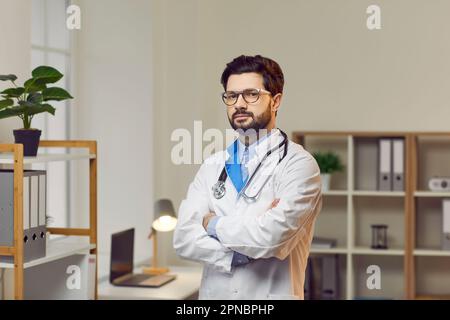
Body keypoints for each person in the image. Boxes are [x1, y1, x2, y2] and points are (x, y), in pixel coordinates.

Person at [173, 54, 322, 300]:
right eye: (231, 96)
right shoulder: (213, 166)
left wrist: (211, 224)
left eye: (251, 94)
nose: (239, 104)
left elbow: (272, 237)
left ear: (276, 101)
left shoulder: (299, 165)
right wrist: (235, 255)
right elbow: (183, 238)